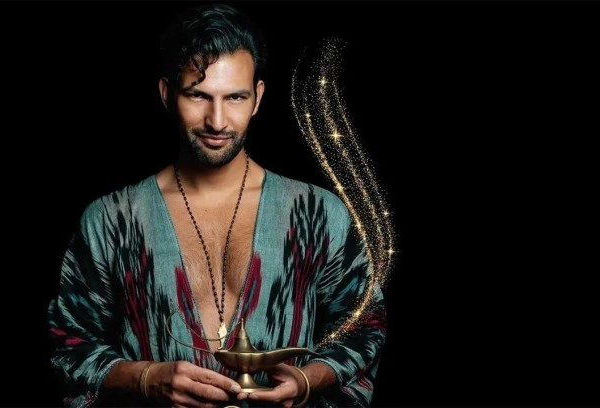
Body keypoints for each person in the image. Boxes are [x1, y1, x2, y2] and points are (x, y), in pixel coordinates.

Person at [47, 3, 386, 407]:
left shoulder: (318, 214)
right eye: (198, 95)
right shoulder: (111, 220)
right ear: (167, 94)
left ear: (258, 98)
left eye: (235, 97)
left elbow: (365, 327)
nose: (218, 121)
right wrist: (146, 378)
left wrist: (306, 380)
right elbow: (69, 344)